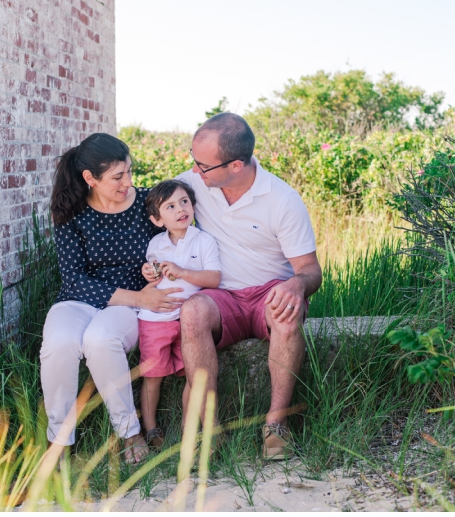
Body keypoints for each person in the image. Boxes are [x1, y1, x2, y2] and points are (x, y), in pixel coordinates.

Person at [174, 112, 322, 460]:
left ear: (236, 165)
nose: (194, 171)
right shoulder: (194, 185)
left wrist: (298, 285)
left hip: (266, 293)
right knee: (192, 311)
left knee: (287, 313)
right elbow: (148, 205)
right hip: (219, 296)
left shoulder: (283, 200)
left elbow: (310, 269)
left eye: (203, 165)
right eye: (193, 161)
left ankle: (276, 426)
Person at [39, 133, 184, 465]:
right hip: (80, 299)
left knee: (100, 339)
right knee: (59, 341)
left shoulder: (149, 204)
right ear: (90, 178)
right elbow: (73, 278)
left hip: (132, 304)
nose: (127, 182)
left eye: (129, 172)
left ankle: (129, 432)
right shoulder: (71, 211)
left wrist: (158, 278)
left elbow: (184, 241)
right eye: (118, 176)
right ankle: (59, 441)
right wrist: (139, 297)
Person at [137, 179, 222, 449]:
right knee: (153, 376)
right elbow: (152, 274)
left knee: (192, 372)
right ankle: (151, 429)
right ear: (157, 219)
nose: (180, 209)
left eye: (184, 201)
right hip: (155, 320)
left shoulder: (204, 241)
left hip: (188, 320)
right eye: (170, 206)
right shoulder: (156, 244)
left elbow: (214, 278)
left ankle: (189, 427)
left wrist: (184, 271)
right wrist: (147, 272)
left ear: (193, 206)